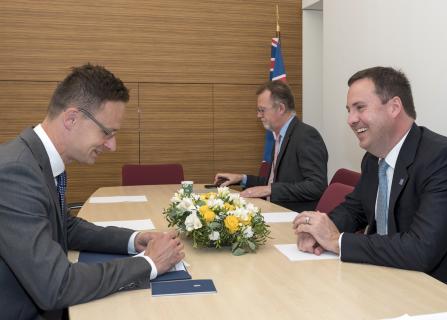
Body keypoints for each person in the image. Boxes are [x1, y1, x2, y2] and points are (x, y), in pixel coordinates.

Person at [0, 64, 185, 319]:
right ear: (72, 119)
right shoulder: (15, 173)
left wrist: (134, 240)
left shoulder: (37, 160)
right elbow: (57, 286)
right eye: (106, 132)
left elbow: (65, 226)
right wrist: (148, 263)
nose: (112, 145)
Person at [294, 66, 447, 300]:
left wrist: (337, 241)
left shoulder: (445, 159)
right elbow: (355, 209)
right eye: (349, 110)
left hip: (444, 292)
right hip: (388, 281)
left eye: (360, 108)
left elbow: (421, 250)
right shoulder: (373, 159)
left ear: (394, 107)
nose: (351, 119)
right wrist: (319, 229)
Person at [214, 80, 328, 212]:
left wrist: (270, 189)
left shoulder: (306, 135)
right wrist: (242, 178)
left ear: (281, 108)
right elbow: (274, 181)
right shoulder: (280, 135)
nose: (258, 115)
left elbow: (316, 187)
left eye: (262, 110)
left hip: (293, 216)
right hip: (273, 209)